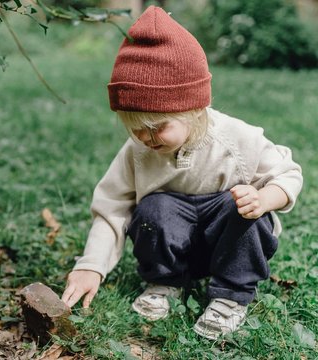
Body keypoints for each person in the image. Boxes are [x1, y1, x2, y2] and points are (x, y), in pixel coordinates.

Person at [61, 6, 303, 340]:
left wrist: (264, 198)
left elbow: (288, 173)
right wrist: (91, 266)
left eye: (157, 127)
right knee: (153, 208)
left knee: (245, 211)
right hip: (172, 243)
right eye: (136, 129)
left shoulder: (236, 139)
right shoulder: (138, 152)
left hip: (225, 241)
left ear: (192, 108)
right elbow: (111, 208)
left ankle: (230, 298)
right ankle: (165, 282)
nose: (146, 138)